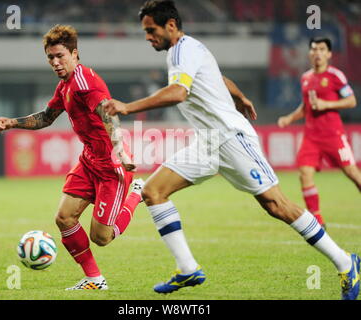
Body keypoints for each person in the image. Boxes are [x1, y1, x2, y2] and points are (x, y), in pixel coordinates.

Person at [103, 0, 360, 299]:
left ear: (170, 25)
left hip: (232, 138)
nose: (148, 37)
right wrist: (240, 96)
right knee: (153, 192)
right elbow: (216, 77)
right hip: (208, 142)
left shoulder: (183, 50)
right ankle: (187, 268)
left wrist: (127, 107)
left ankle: (345, 262)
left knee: (276, 205)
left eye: (151, 30)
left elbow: (178, 93)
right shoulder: (186, 50)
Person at [0, 25, 144, 290]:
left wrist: (119, 147)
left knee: (102, 237)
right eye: (50, 57)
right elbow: (46, 117)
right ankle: (95, 280)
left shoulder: (85, 82)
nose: (55, 62)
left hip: (111, 164)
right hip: (89, 160)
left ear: (75, 54)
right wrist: (12, 123)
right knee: (64, 218)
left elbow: (107, 113)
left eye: (60, 55)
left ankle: (137, 194)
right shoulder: (65, 86)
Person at [278, 37, 360, 228]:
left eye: (322, 49)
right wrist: (289, 118)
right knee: (304, 174)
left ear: (329, 54)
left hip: (334, 135)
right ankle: (317, 220)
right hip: (311, 137)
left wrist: (327, 104)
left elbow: (352, 101)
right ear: (310, 53)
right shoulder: (306, 77)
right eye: (314, 49)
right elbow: (306, 107)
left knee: (354, 174)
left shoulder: (336, 76)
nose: (317, 53)